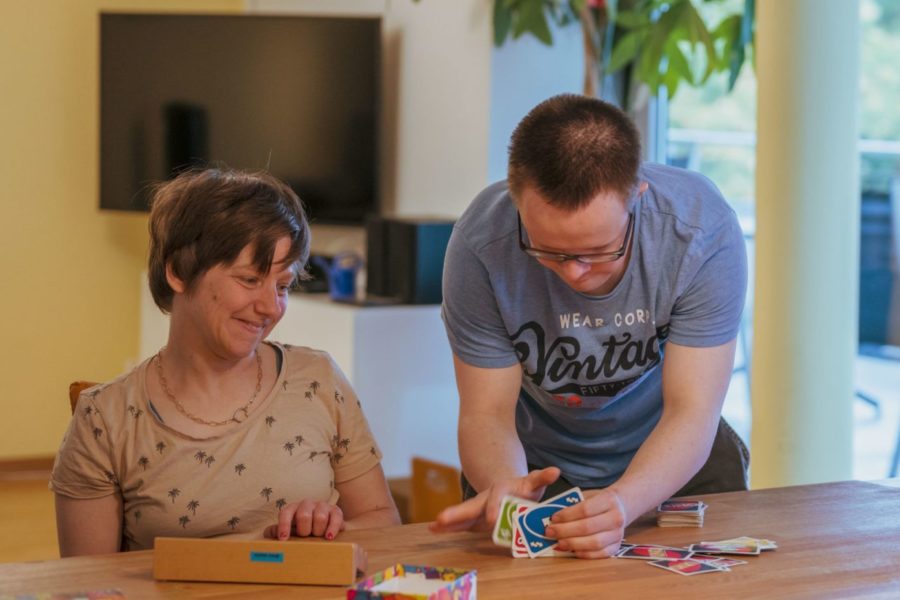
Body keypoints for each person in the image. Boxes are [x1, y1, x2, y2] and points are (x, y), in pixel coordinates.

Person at [431, 94, 749, 558]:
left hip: (677, 462)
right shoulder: (481, 244)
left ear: (636, 196)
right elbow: (486, 413)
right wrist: (508, 486)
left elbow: (692, 411)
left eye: (599, 251)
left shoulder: (699, 231)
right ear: (516, 199)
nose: (574, 273)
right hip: (536, 464)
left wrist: (624, 500)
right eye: (547, 250)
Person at [51, 167, 400, 556]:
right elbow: (86, 585)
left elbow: (382, 522)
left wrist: (333, 525)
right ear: (179, 272)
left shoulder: (319, 381)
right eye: (250, 280)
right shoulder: (104, 420)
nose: (271, 307)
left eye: (282, 286)